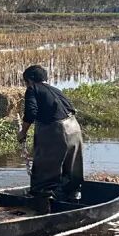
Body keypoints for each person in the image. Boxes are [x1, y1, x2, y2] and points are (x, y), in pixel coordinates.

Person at [17, 64, 84, 197]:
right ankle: (73, 197)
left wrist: (23, 132)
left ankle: (43, 203)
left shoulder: (32, 89)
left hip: (56, 130)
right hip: (74, 128)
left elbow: (31, 112)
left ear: (30, 80)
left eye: (25, 82)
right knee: (71, 170)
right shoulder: (55, 90)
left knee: (44, 171)